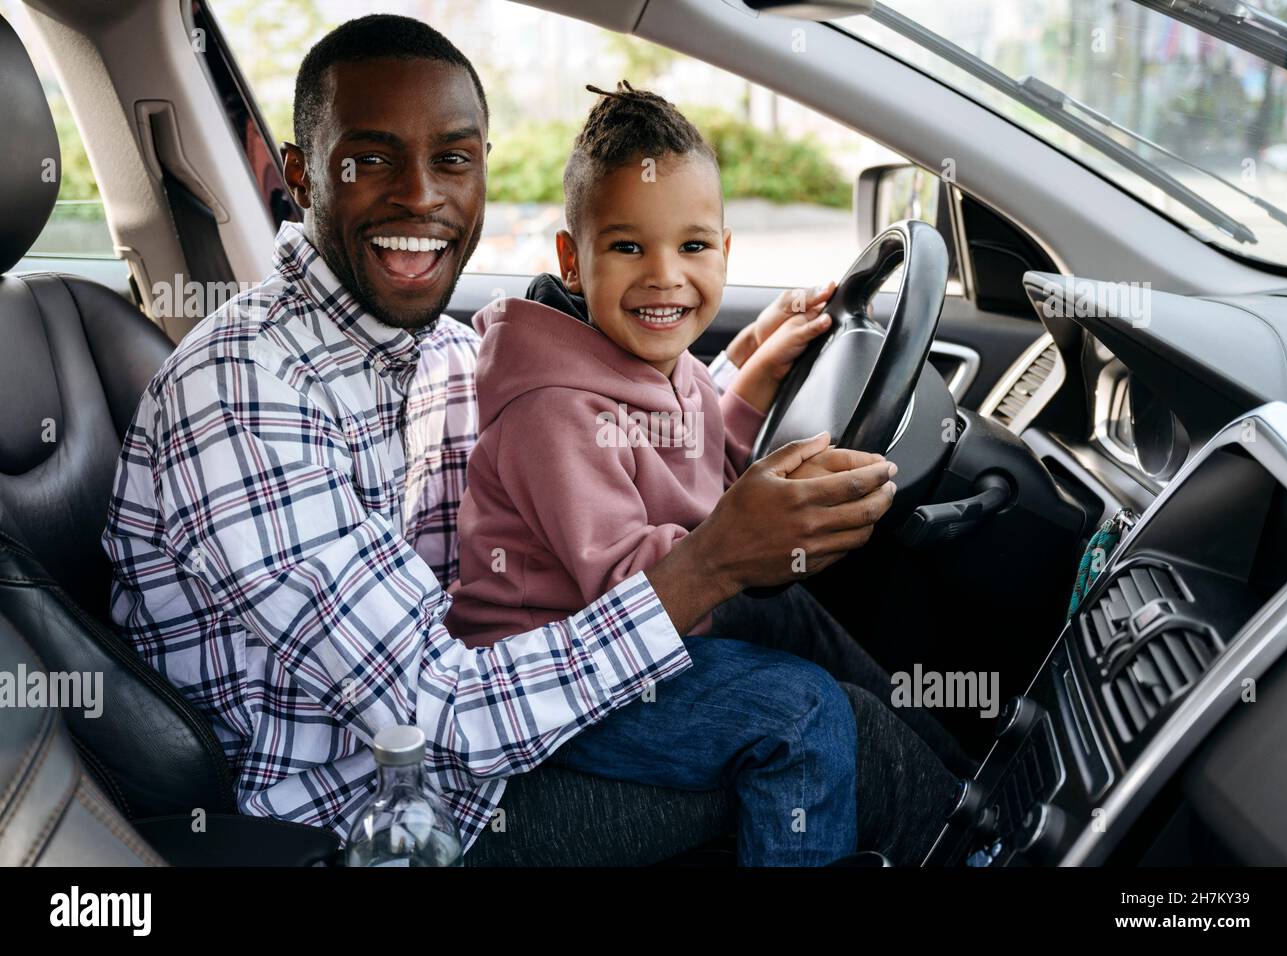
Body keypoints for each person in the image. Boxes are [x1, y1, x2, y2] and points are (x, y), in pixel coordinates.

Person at [102, 14, 959, 866]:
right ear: (301, 175)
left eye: (453, 159)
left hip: (495, 727)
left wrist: (741, 373)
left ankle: (984, 795)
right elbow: (433, 719)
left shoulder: (430, 347)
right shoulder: (243, 394)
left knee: (800, 640)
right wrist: (719, 561)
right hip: (383, 814)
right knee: (822, 728)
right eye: (371, 160)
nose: (420, 195)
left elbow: (598, 450)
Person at [446, 82, 841, 645]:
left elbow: (711, 486)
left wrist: (762, 367)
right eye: (628, 247)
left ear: (725, 252)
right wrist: (740, 548)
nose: (664, 275)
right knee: (825, 704)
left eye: (693, 247)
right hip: (560, 673)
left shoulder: (681, 370)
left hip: (664, 625)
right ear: (572, 261)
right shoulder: (552, 412)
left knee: (807, 624)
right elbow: (624, 597)